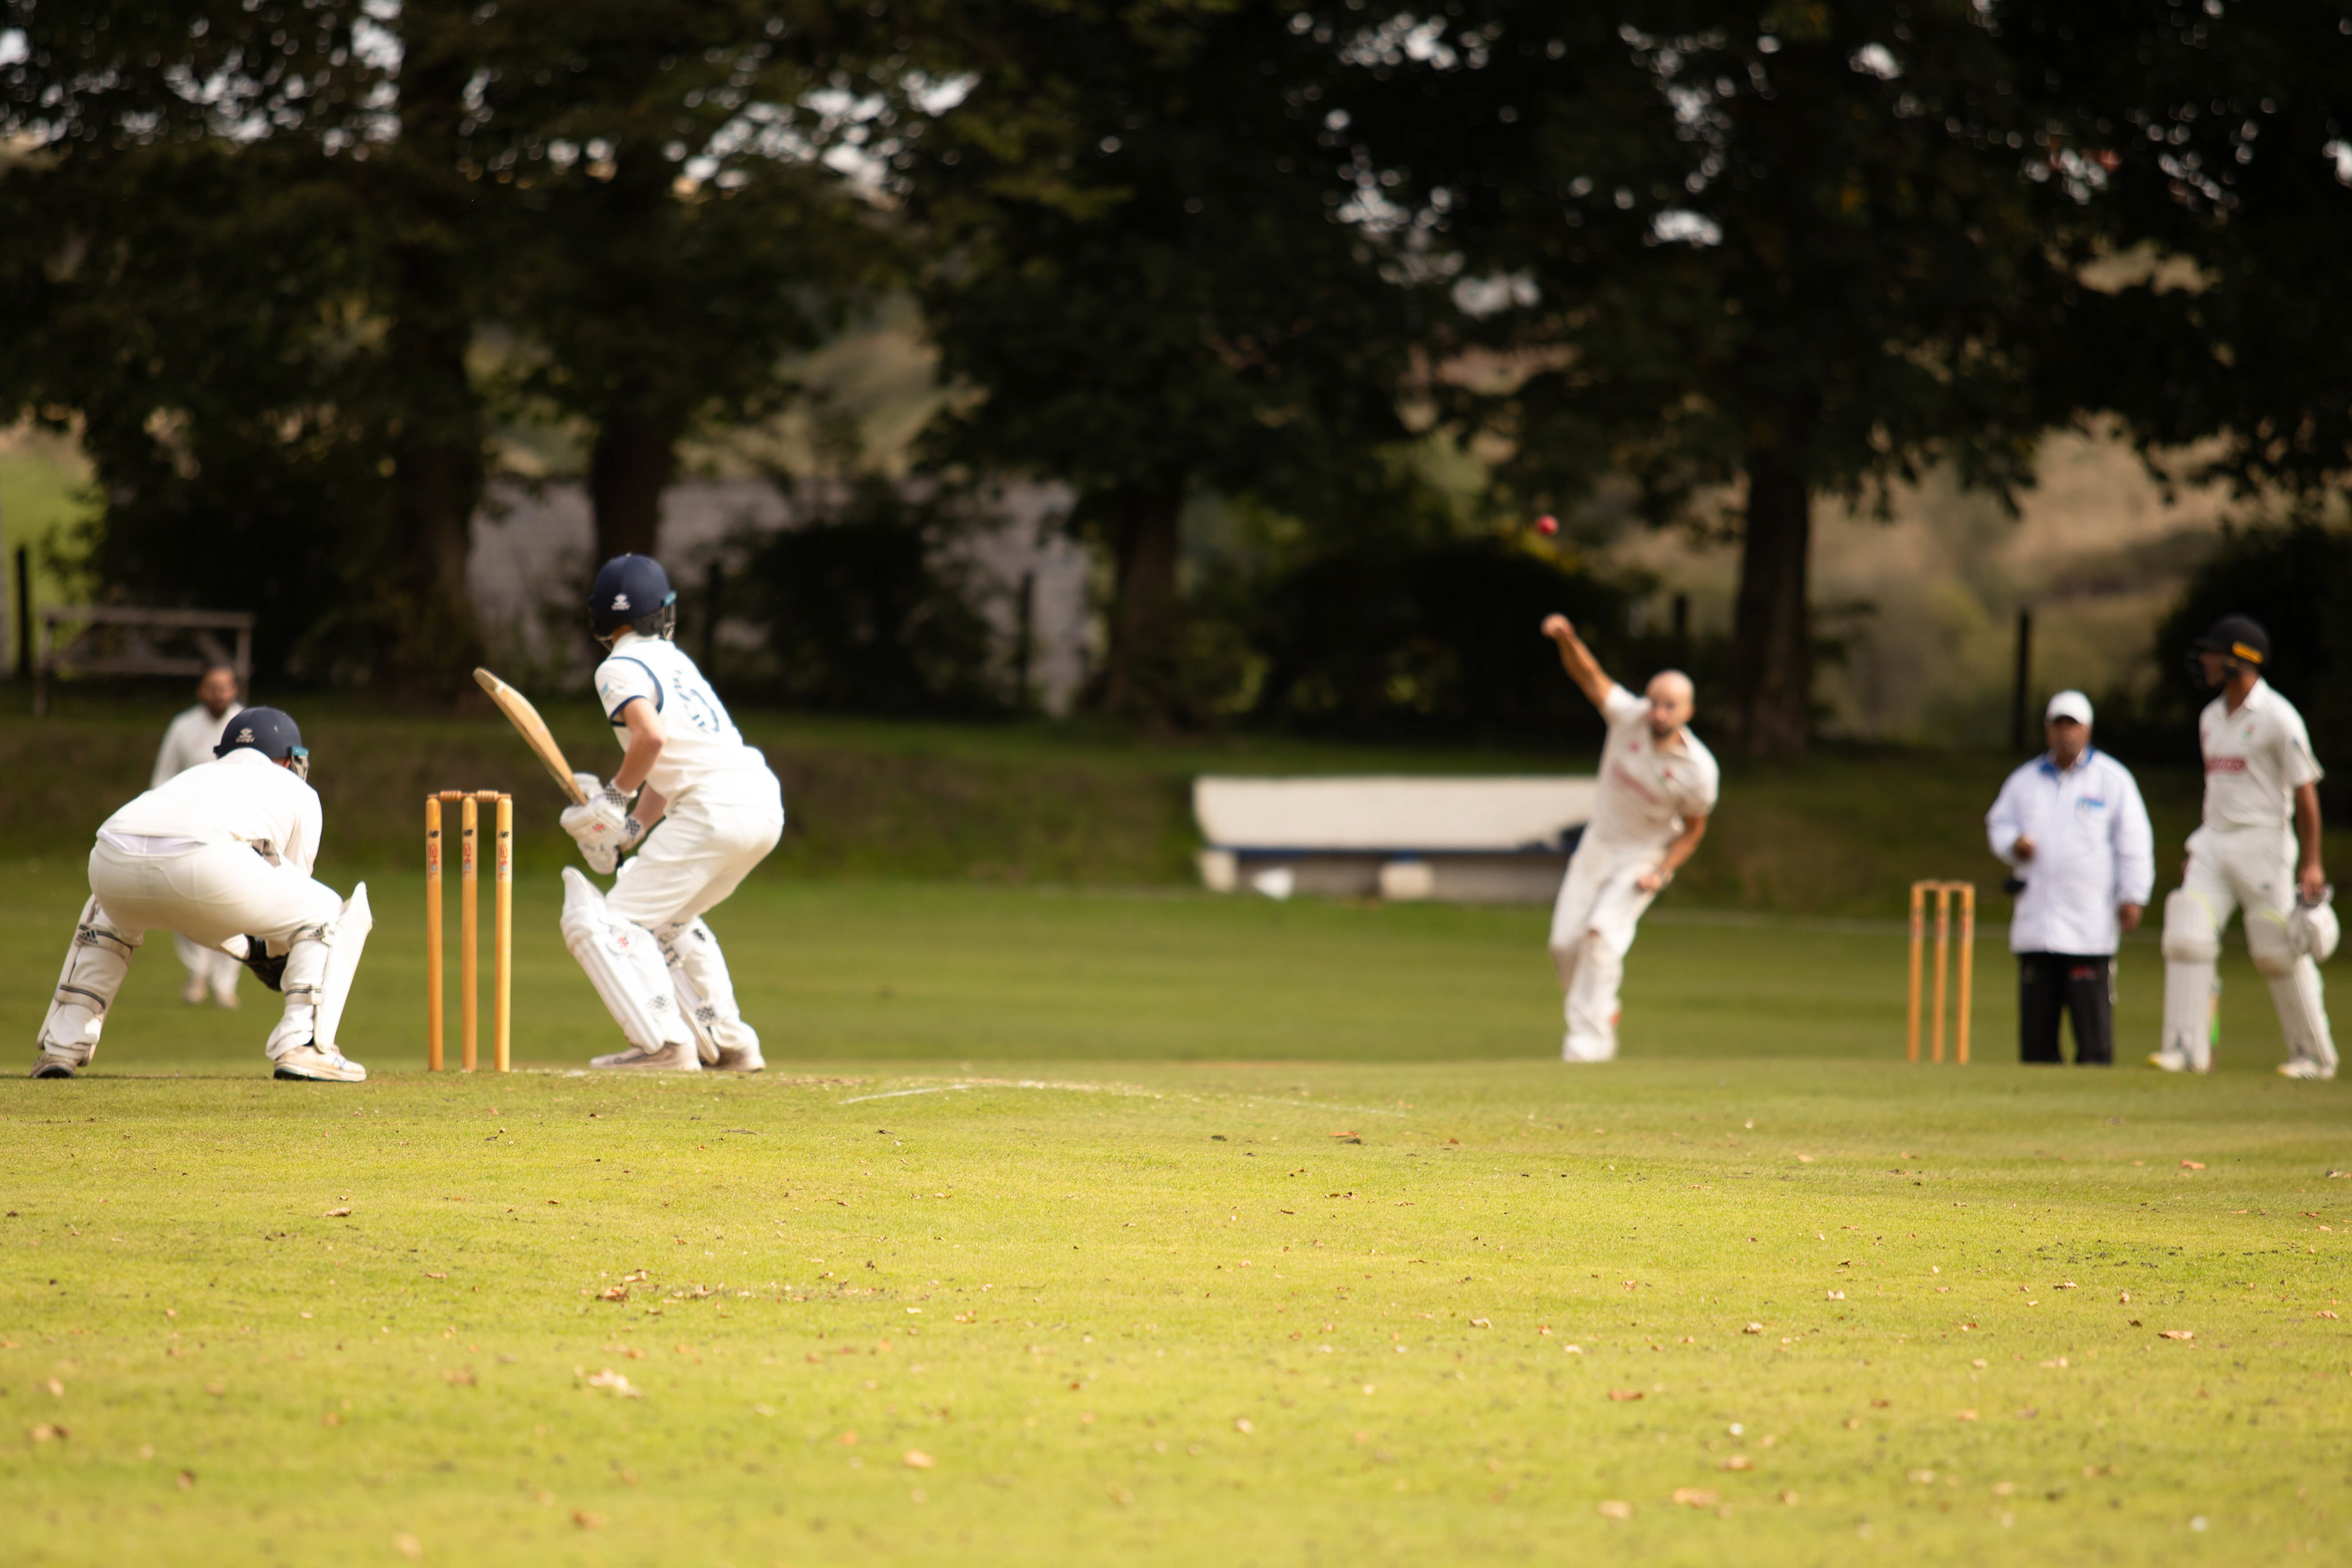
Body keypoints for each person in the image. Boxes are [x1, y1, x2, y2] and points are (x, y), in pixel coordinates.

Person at [32, 707, 372, 1081]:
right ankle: (303, 1045)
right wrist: (272, 954)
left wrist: (248, 947)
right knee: (326, 907)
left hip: (111, 863)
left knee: (107, 914)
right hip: (205, 869)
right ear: (292, 759)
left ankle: (60, 1048)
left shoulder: (193, 776)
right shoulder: (297, 789)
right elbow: (295, 883)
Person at [556, 554, 785, 1072]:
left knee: (609, 922)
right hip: (760, 805)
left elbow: (651, 739)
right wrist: (629, 832)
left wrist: (611, 804)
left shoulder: (617, 667)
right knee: (667, 919)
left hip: (710, 813)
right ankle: (731, 1044)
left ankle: (665, 1047)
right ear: (665, 612)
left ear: (598, 619)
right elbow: (665, 762)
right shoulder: (677, 661)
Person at [2154, 614, 2337, 1078]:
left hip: (2264, 843)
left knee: (2276, 950)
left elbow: (2306, 793)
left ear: (2242, 660)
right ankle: (2184, 1050)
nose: (2208, 661)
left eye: (2216, 653)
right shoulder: (2210, 718)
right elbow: (2218, 787)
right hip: (2214, 841)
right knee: (2186, 930)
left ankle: (2314, 1056)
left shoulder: (2278, 717)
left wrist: (2312, 863)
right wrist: (2203, 842)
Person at [1539, 614, 1719, 1063]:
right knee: (1564, 945)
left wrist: (1662, 871)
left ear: (1688, 711)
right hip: (1599, 844)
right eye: (1655, 702)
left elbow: (1694, 831)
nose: (1659, 713)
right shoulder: (1627, 718)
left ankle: (1588, 1046)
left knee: (1600, 938)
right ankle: (1604, 1008)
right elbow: (1590, 677)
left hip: (1644, 855)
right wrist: (1568, 639)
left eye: (1670, 706)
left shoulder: (1699, 771)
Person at [1984, 690, 2154, 1066]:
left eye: (2072, 725)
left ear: (2088, 729)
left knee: (2093, 1042)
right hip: (2036, 922)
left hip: (2089, 926)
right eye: (2058, 725)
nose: (2065, 733)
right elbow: (1998, 824)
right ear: (2047, 730)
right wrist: (2014, 844)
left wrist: (2133, 895)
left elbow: (2135, 843)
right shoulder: (2024, 780)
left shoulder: (2112, 780)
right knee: (2037, 1040)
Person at [152, 665, 246, 1009]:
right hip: (187, 827)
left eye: (225, 688)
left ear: (235, 689)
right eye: (212, 688)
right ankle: (197, 974)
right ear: (201, 691)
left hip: (234, 830)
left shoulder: (247, 725)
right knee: (187, 901)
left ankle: (225, 983)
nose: (219, 694)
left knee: (233, 905)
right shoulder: (183, 726)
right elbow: (163, 778)